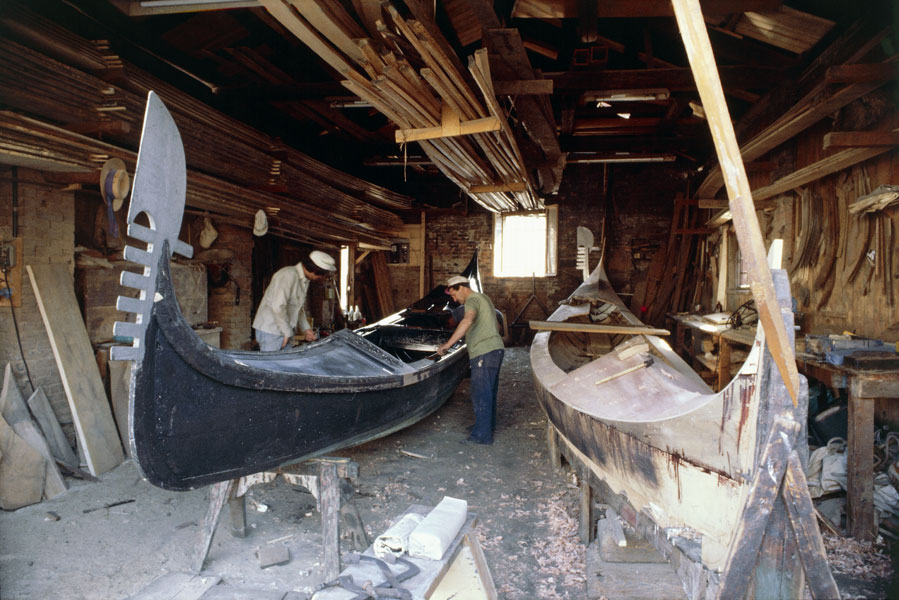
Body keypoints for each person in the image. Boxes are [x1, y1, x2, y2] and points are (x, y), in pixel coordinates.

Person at [437, 275, 504, 444]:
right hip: (495, 350)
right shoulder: (484, 297)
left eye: (454, 294)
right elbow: (492, 324)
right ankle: (485, 426)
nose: (454, 299)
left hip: (484, 352)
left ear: (462, 288)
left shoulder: (472, 300)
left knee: (480, 393)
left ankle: (481, 436)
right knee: (489, 392)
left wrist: (447, 344)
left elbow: (467, 320)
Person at [253, 250, 336, 351]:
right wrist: (287, 332)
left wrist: (306, 329)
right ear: (314, 270)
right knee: (271, 366)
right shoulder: (288, 275)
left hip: (284, 331)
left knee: (286, 365)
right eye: (321, 276)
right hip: (271, 330)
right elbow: (278, 306)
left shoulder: (305, 280)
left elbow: (297, 308)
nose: (321, 278)